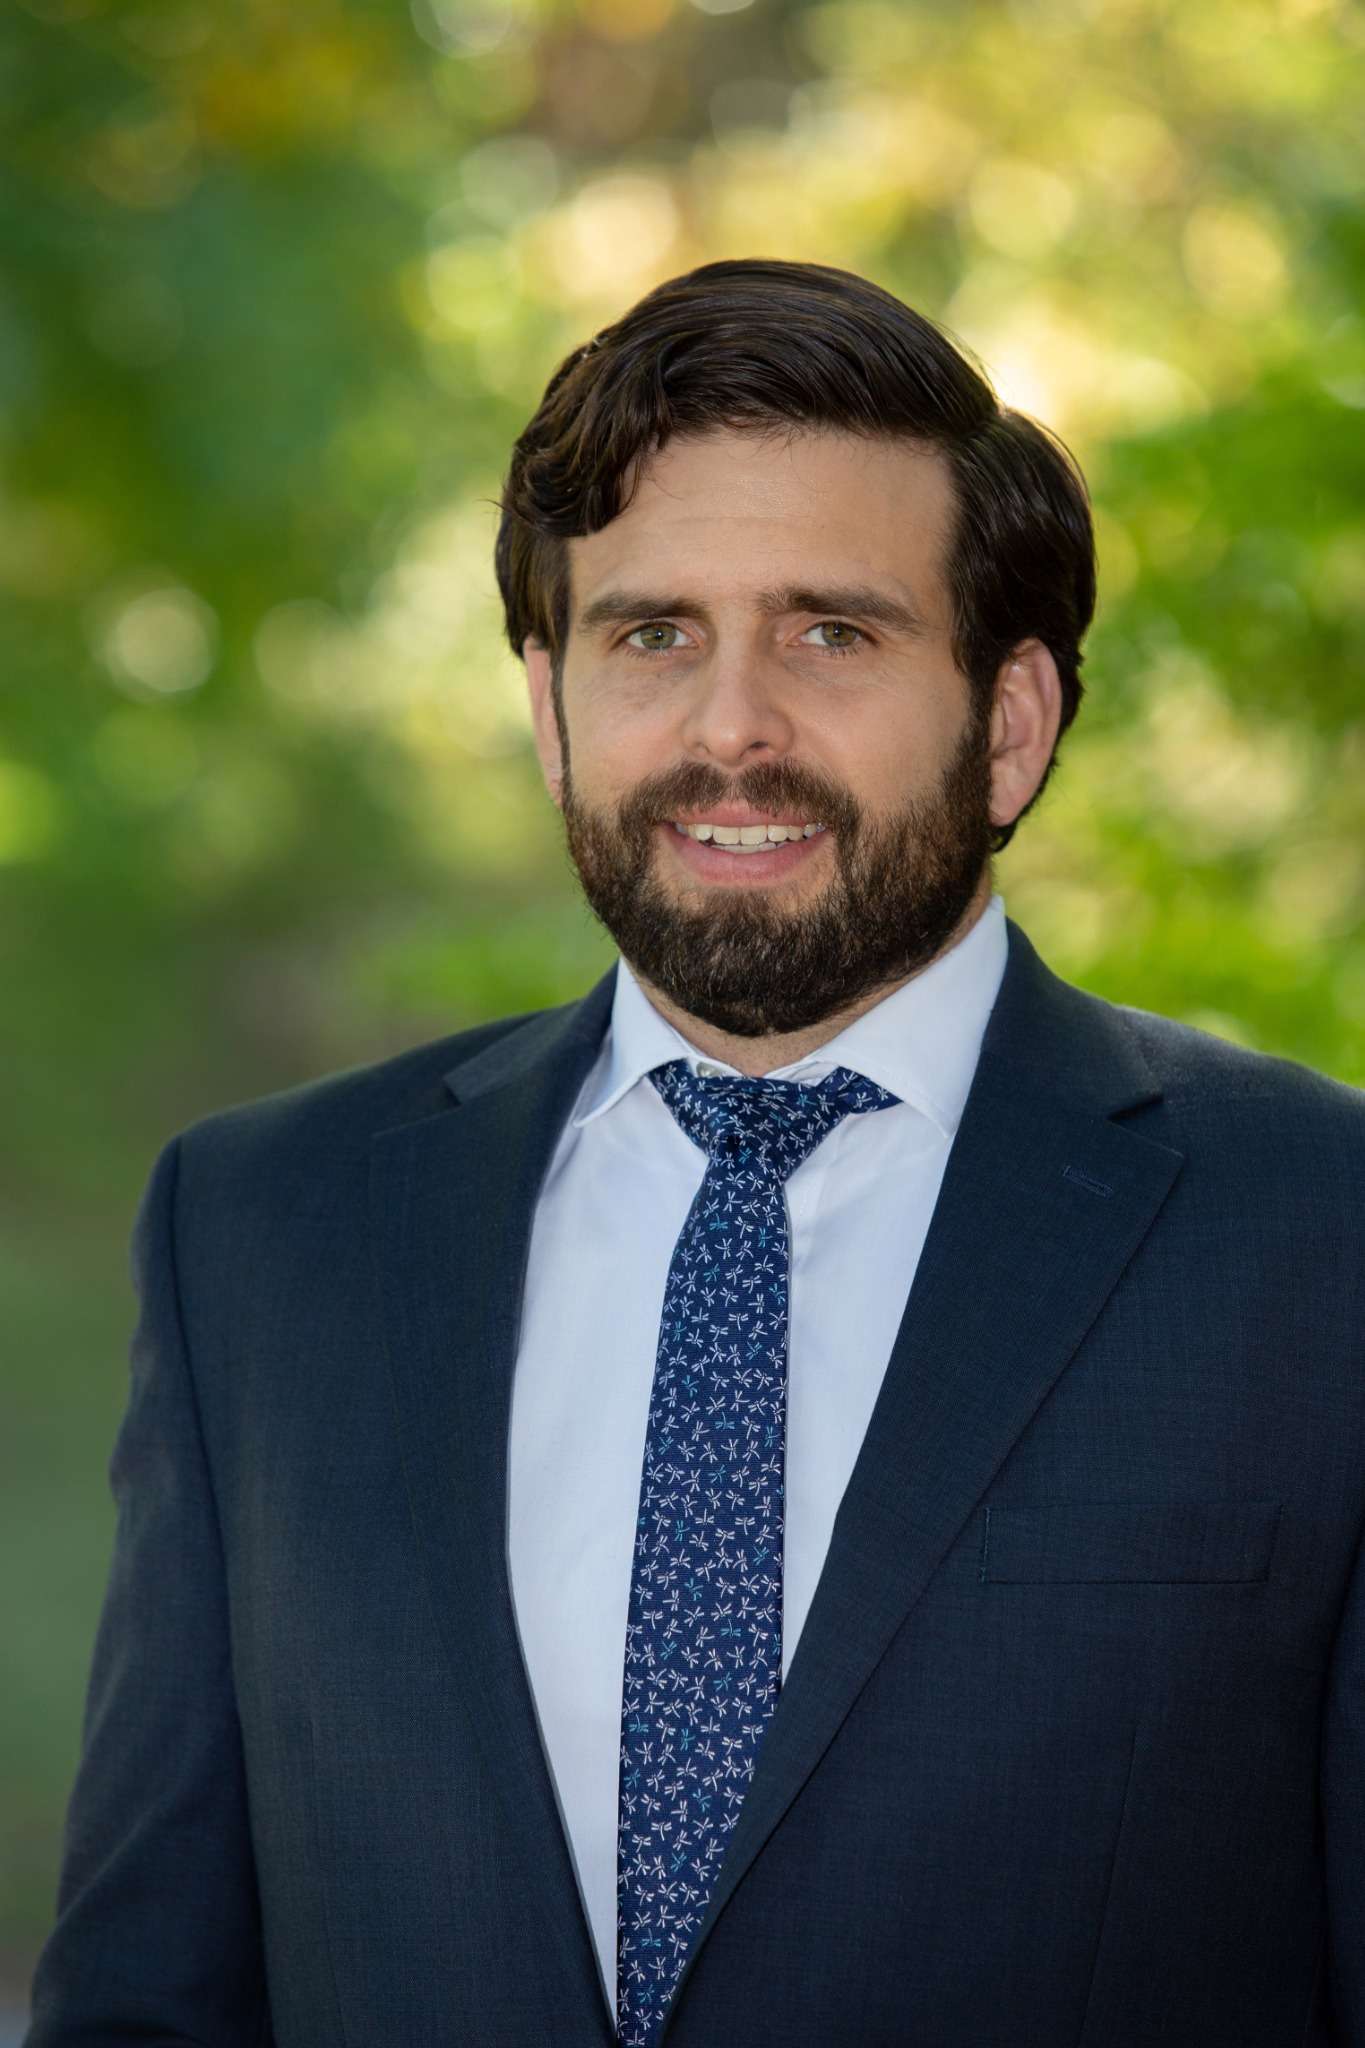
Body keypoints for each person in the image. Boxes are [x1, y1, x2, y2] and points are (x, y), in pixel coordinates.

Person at [24, 258, 1365, 2048]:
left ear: (1012, 723)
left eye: (833, 632)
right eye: (651, 635)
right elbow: (149, 1993)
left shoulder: (1316, 1234)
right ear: (550, 704)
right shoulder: (259, 1234)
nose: (730, 728)